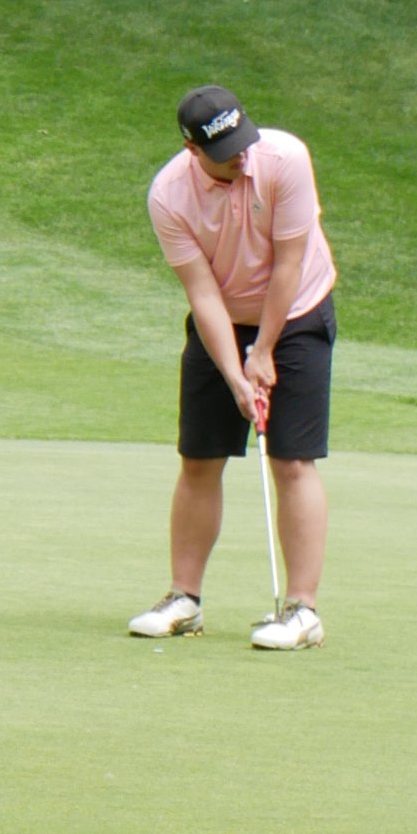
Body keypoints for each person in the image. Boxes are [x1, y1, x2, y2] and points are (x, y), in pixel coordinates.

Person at [129, 83, 337, 651]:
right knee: (199, 457)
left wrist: (264, 353)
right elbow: (202, 294)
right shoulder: (169, 196)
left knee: (293, 459)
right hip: (223, 318)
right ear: (193, 148)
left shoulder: (284, 158)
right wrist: (234, 372)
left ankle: (301, 610)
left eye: (242, 140)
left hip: (296, 314)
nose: (241, 155)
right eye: (225, 149)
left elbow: (289, 262)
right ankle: (184, 599)